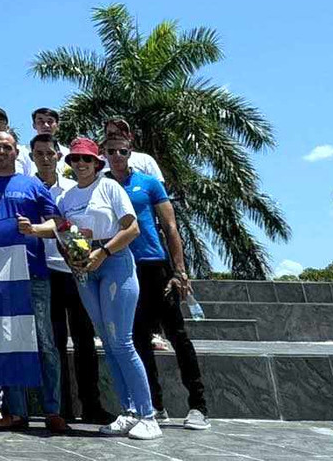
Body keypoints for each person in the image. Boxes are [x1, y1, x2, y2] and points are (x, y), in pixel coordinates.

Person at [32, 138, 161, 441]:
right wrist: (33, 230)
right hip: (84, 271)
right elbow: (59, 229)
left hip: (113, 263)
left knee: (123, 341)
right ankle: (129, 411)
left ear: (96, 164)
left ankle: (148, 414)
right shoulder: (66, 198)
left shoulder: (110, 188)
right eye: (75, 159)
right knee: (108, 341)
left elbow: (132, 228)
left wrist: (103, 253)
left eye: (86, 159)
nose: (80, 164)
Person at [105, 134, 209, 430]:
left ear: (130, 152)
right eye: (110, 151)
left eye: (122, 151)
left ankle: (198, 405)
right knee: (137, 340)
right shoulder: (103, 186)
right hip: (122, 268)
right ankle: (155, 405)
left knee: (177, 334)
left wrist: (180, 270)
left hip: (155, 267)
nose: (116, 156)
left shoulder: (148, 183)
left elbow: (171, 227)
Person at [0, 129, 65, 432]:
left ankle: (53, 410)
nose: (2, 152)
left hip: (34, 274)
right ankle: (18, 411)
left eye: (7, 147)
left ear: (16, 152)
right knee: (9, 344)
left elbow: (57, 224)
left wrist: (33, 229)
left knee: (45, 344)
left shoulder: (33, 185)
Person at [29, 133, 110, 427]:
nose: (46, 158)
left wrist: (79, 258)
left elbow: (71, 229)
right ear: (32, 156)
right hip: (44, 271)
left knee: (85, 340)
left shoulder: (70, 190)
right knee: (54, 343)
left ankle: (92, 405)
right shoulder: (29, 187)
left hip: (74, 271)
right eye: (40, 154)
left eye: (51, 153)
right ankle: (59, 409)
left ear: (58, 155)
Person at [103, 118, 166, 182]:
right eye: (110, 134)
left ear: (129, 136)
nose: (115, 137)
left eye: (119, 133)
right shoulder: (96, 162)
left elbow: (158, 187)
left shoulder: (145, 160)